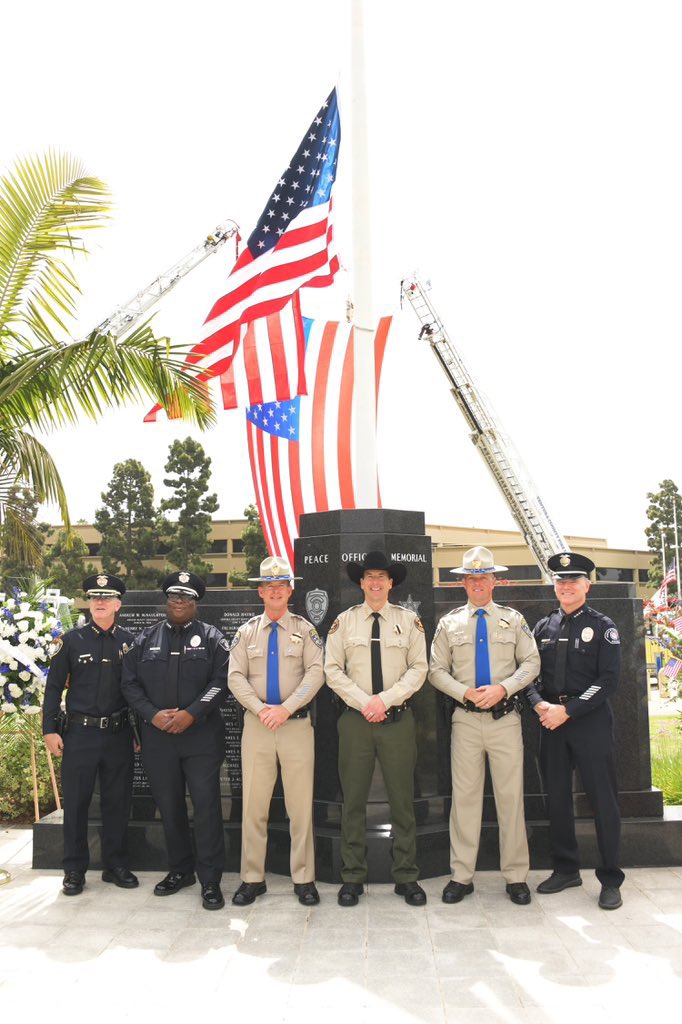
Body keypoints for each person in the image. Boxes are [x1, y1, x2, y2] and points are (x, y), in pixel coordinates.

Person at [429, 546, 540, 906]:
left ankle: (516, 876)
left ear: (495, 580)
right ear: (463, 582)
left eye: (483, 577)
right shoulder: (449, 624)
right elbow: (435, 670)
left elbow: (532, 662)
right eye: (471, 578)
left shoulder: (513, 619)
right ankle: (461, 875)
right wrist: (465, 693)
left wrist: (503, 688)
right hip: (465, 720)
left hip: (505, 720)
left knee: (510, 799)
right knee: (465, 801)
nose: (477, 583)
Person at [324, 551, 428, 907]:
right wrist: (363, 702)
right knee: (352, 801)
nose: (375, 582)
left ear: (391, 582)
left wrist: (384, 700)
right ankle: (352, 876)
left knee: (402, 801)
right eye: (369, 576)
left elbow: (419, 668)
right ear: (361, 582)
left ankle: (406, 875)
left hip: (397, 722)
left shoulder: (409, 621)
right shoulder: (344, 622)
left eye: (382, 576)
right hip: (355, 722)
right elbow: (332, 670)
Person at [121, 570, 229, 911]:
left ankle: (210, 879)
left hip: (200, 738)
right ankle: (180, 870)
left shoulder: (212, 638)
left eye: (186, 598)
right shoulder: (145, 639)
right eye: (173, 597)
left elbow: (222, 681)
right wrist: (152, 714)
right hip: (158, 739)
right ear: (167, 601)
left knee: (207, 807)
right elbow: (129, 684)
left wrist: (191, 713)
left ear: (196, 603)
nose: (179, 602)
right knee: (169, 807)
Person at [527, 551, 624, 910]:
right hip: (550, 721)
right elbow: (529, 675)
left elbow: (609, 680)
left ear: (587, 585)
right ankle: (566, 868)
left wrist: (569, 710)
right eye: (560, 581)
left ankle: (611, 878)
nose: (565, 586)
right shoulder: (543, 627)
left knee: (603, 800)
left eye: (573, 581)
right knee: (557, 798)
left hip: (589, 721)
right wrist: (541, 705)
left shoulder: (603, 626)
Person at [228, 557, 324, 906]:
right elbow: (235, 676)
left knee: (300, 806)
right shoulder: (246, 632)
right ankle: (253, 878)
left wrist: (287, 707)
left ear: (289, 590)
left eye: (281, 586)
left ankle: (304, 877)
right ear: (260, 591)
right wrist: (261, 709)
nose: (275, 591)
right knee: (254, 806)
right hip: (257, 727)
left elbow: (317, 672)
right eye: (269, 587)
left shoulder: (304, 629)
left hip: (296, 727)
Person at [43, 574, 137, 896]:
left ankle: (115, 865)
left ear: (118, 604)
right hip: (79, 735)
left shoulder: (130, 642)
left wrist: (138, 733)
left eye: (107, 597)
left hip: (118, 734)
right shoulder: (71, 641)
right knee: (78, 805)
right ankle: (73, 870)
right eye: (94, 597)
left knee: (117, 803)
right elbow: (53, 688)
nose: (99, 602)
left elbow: (136, 691)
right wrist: (49, 730)